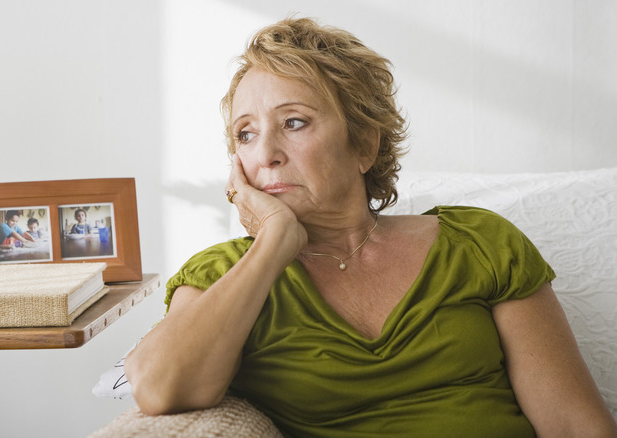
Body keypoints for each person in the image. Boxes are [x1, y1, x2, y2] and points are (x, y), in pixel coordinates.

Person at [124, 17, 617, 437]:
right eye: (245, 133)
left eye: (293, 122)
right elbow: (159, 388)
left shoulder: (480, 244)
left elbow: (575, 426)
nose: (266, 153)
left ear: (364, 145)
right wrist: (273, 243)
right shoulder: (225, 275)